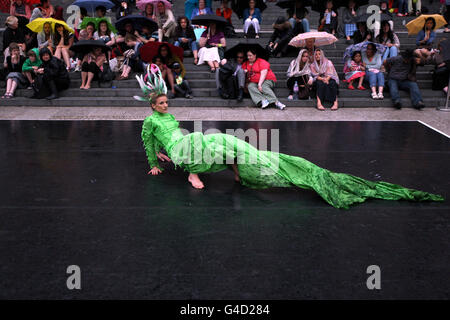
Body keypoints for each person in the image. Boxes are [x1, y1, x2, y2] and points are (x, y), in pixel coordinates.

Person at [138, 65, 444, 209]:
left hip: (183, 142)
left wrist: (169, 144)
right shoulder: (150, 121)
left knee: (223, 140)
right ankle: (193, 173)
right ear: (152, 105)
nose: (167, 104)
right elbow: (150, 142)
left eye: (167, 101)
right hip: (181, 150)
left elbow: (171, 133)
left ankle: (239, 166)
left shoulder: (168, 117)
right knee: (205, 141)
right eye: (162, 103)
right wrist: (155, 161)